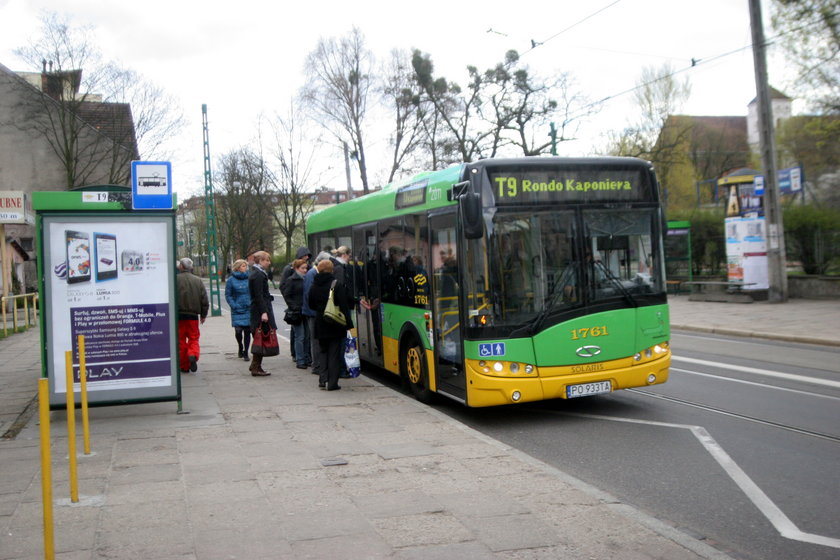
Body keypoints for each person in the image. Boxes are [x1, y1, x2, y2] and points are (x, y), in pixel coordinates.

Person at [308, 259, 354, 391]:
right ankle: (333, 383)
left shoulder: (314, 285)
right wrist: (348, 323)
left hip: (320, 322)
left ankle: (322, 379)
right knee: (334, 353)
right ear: (331, 269)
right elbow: (344, 305)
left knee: (323, 351)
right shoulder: (336, 284)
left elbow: (311, 304)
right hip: (334, 323)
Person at [176, 258, 209, 373]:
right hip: (193, 316)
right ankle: (193, 354)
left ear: (181, 266)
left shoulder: (174, 280)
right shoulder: (198, 280)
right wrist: (203, 315)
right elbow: (204, 299)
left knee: (180, 340)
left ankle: (184, 366)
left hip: (178, 316)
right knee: (193, 338)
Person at [279, 247, 312, 361]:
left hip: (305, 309)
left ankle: (305, 356)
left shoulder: (306, 275)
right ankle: (298, 357)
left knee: (305, 335)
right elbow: (285, 290)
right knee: (299, 335)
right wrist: (292, 305)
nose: (307, 258)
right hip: (297, 310)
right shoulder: (290, 274)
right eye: (305, 256)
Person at [303, 251, 332, 379]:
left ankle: (318, 365)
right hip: (313, 313)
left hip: (314, 312)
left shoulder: (313, 273)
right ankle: (317, 366)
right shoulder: (312, 274)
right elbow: (310, 295)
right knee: (316, 340)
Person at [248, 251, 276, 377]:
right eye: (266, 260)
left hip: (258, 309)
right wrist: (264, 312)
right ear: (260, 261)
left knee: (259, 337)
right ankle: (256, 367)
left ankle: (255, 365)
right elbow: (259, 295)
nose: (269, 263)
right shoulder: (258, 275)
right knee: (261, 337)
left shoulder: (257, 273)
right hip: (260, 311)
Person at [225, 259, 252, 361]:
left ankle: (246, 352)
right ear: (238, 267)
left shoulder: (250, 278)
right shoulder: (231, 280)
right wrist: (234, 305)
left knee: (247, 331)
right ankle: (240, 346)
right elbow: (228, 295)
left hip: (248, 308)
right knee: (238, 331)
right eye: (243, 266)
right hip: (237, 308)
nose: (245, 268)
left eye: (246, 266)